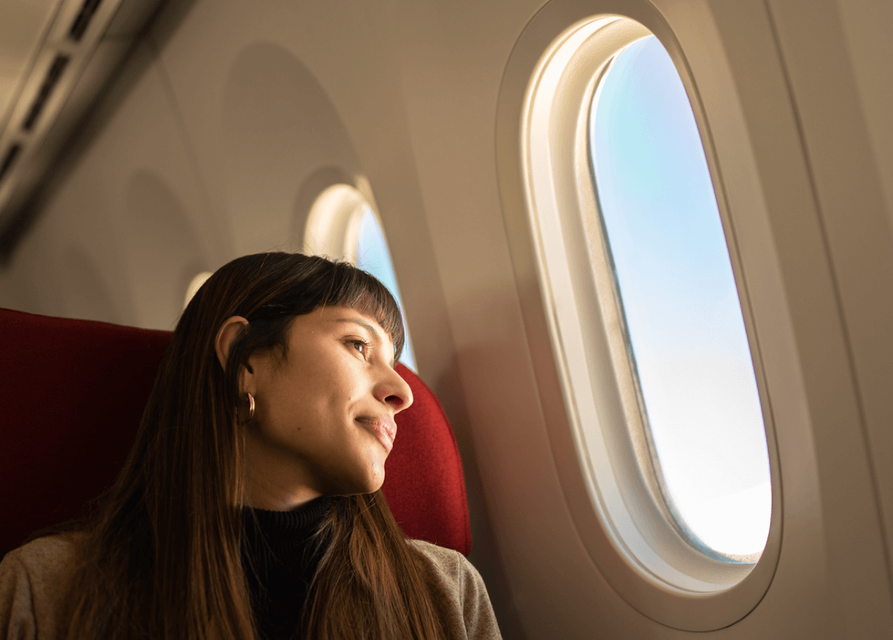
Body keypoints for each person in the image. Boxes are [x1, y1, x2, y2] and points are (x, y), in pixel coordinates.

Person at [0, 252, 501, 640]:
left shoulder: (447, 593)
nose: (403, 393)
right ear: (246, 361)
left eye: (393, 361)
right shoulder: (46, 592)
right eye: (358, 345)